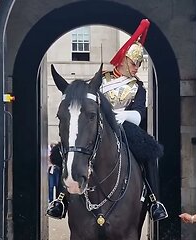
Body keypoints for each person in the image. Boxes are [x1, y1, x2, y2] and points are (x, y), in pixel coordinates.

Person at [47, 18, 168, 222]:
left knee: (149, 151)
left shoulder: (138, 87)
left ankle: (155, 200)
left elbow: (140, 113)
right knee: (66, 150)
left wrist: (125, 115)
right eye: (133, 63)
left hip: (125, 126)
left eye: (139, 64)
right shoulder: (100, 80)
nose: (136, 67)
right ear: (122, 60)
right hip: (98, 124)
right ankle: (61, 199)